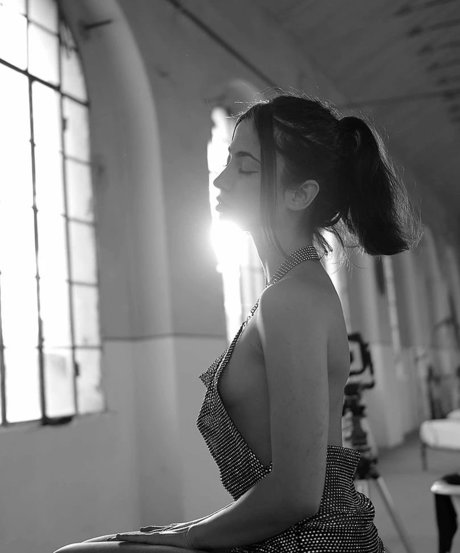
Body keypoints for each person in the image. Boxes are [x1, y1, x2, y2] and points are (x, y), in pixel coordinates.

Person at [54, 93, 421, 553]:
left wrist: (187, 536)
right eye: (229, 159)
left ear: (299, 194)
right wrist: (185, 531)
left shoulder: (292, 300)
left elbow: (297, 495)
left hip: (310, 542)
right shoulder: (286, 289)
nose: (221, 178)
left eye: (246, 168)